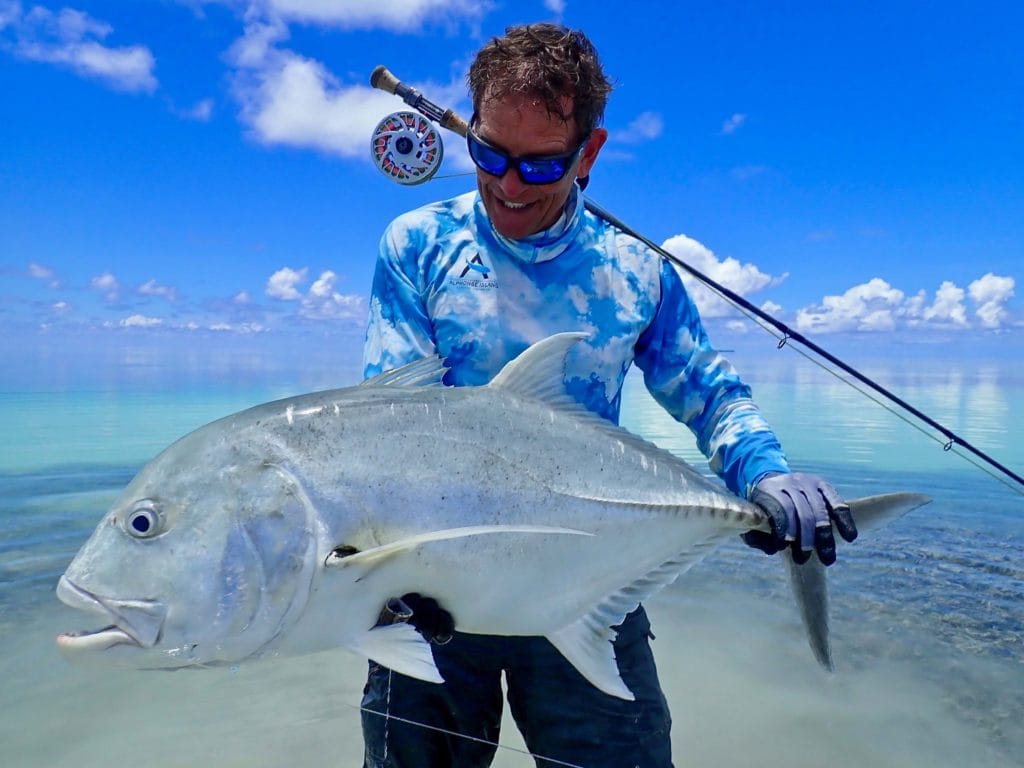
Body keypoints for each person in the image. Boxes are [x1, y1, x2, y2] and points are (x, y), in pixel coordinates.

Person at [361, 22, 857, 768]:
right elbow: (388, 416)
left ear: (589, 153)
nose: (506, 184)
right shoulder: (417, 245)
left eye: (540, 166)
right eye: (488, 153)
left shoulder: (637, 273)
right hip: (433, 594)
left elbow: (709, 393)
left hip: (587, 583)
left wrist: (765, 474)